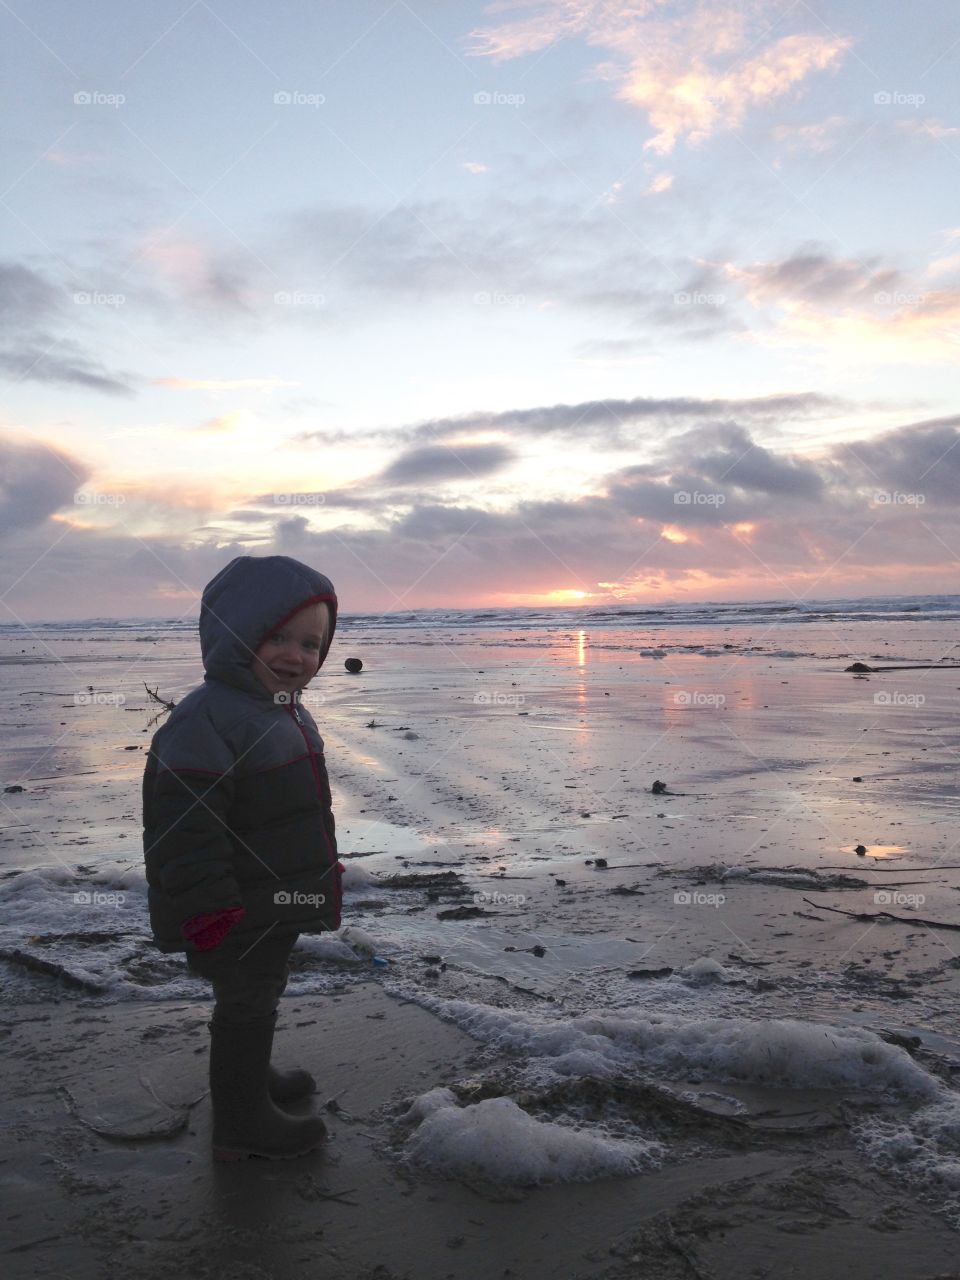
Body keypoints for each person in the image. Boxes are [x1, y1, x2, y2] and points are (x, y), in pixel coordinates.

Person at [142, 555, 342, 1162]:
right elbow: (184, 829)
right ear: (234, 634)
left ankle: (253, 1079)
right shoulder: (205, 720)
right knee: (246, 999)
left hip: (269, 898)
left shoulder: (281, 707)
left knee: (263, 987)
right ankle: (240, 1116)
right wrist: (208, 909)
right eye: (276, 636)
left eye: (311, 643)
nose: (295, 655)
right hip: (229, 906)